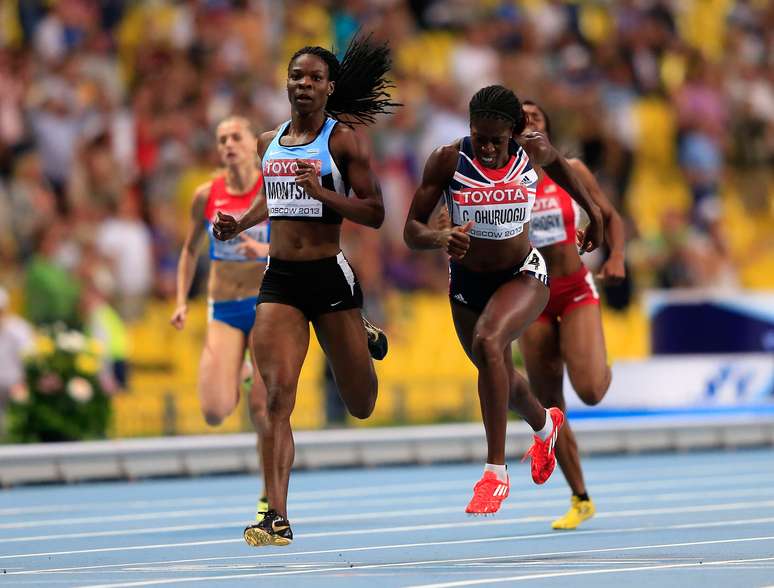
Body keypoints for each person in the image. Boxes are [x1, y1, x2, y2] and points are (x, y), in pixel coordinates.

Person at [213, 35, 398, 546]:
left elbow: (376, 212)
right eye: (297, 76)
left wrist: (322, 193)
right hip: (282, 279)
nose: (304, 85)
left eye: (315, 78)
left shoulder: (344, 142)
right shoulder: (267, 141)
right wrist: (240, 225)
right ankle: (276, 516)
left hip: (329, 277)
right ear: (286, 82)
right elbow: (275, 198)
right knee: (276, 397)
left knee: (361, 403)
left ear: (329, 87)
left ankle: (361, 335)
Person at [404, 86, 603, 515]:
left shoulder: (531, 150)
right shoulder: (447, 159)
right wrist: (440, 236)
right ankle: (545, 423)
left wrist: (595, 215)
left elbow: (565, 171)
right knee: (498, 374)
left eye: (498, 139)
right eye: (481, 137)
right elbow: (411, 231)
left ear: (514, 132)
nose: (489, 148)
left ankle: (494, 473)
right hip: (467, 284)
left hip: (523, 275)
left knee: (489, 344)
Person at [518, 101, 626, 529]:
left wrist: (616, 255)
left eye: (537, 118)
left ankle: (597, 362)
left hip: (574, 288)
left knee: (590, 392)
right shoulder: (503, 181)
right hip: (532, 298)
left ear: (547, 128)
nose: (529, 124)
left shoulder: (572, 170)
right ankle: (580, 497)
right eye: (521, 119)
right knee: (549, 410)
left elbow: (609, 216)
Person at [170, 116, 271, 521]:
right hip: (225, 308)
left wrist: (263, 253)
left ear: (253, 144)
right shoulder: (205, 195)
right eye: (221, 139)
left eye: (236, 137)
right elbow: (189, 251)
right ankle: (240, 370)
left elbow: (297, 242)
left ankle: (269, 493)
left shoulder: (273, 188)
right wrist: (181, 300)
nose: (228, 144)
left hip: (268, 306)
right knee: (214, 411)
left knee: (264, 409)